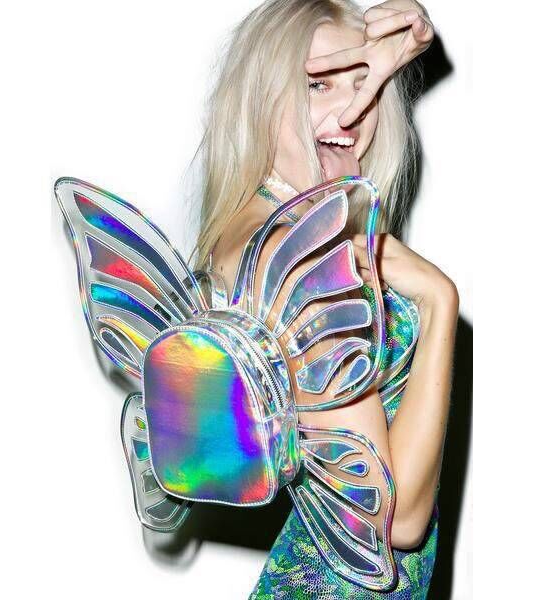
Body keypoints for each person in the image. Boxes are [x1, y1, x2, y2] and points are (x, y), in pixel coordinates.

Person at [188, 0, 459, 597]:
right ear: (261, 100)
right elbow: (391, 521)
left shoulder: (271, 229)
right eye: (317, 84)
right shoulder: (299, 259)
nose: (351, 110)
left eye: (363, 83)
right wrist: (440, 303)